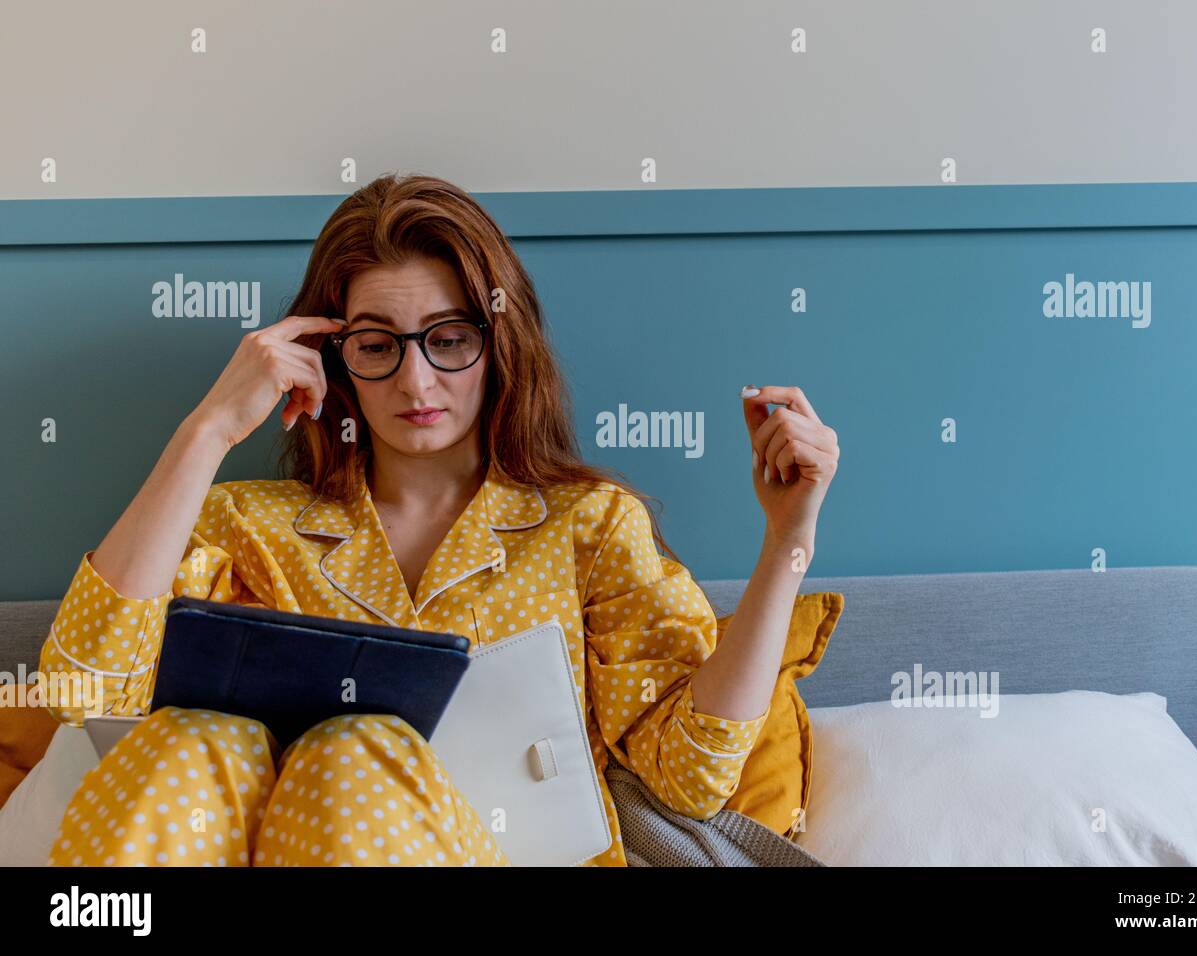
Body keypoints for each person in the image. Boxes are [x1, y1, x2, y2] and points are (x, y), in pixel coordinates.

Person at [38, 173, 840, 867]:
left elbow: (691, 779)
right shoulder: (245, 523)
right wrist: (208, 429)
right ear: (332, 354)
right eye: (378, 344)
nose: (416, 380)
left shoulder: (589, 526)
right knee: (189, 742)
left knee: (356, 748)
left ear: (499, 344)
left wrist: (787, 539)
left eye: (449, 339)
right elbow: (84, 689)